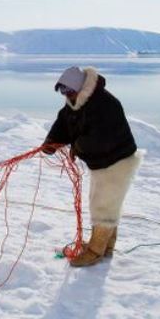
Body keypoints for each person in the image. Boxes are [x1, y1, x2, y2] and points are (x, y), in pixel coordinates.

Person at [41, 66, 141, 267]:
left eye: (68, 90)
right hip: (101, 162)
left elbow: (99, 139)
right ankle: (107, 246)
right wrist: (52, 142)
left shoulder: (105, 105)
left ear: (79, 87)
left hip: (118, 161)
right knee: (103, 201)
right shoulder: (75, 102)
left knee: (103, 205)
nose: (66, 95)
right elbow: (64, 122)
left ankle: (96, 251)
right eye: (62, 91)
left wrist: (76, 147)